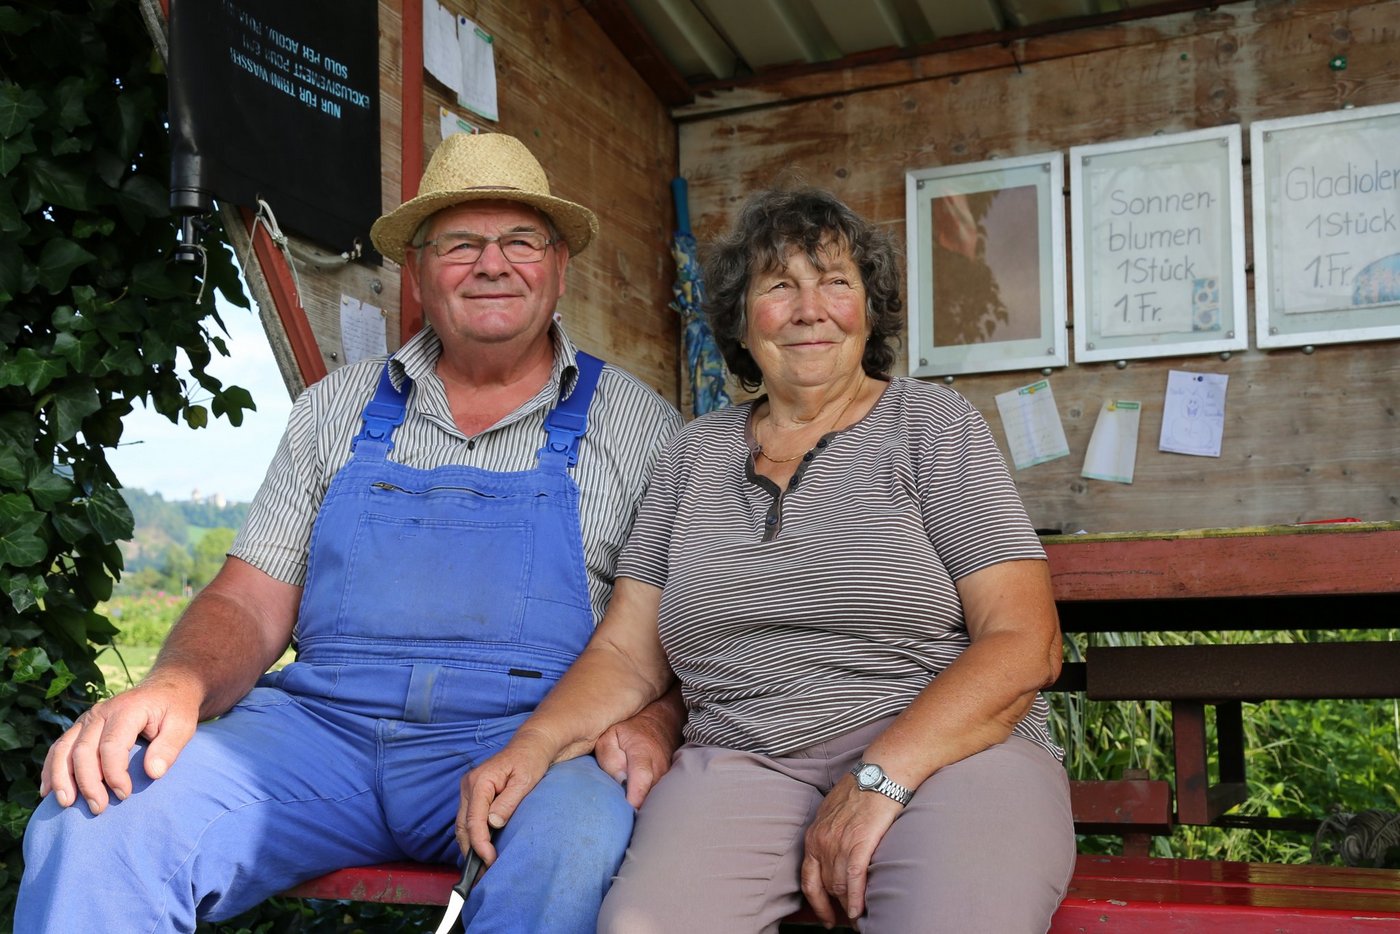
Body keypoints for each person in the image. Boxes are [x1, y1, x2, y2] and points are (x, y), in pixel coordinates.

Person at [17, 133, 684, 934]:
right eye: (461, 244)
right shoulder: (335, 411)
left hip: (531, 741)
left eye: (521, 242)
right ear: (418, 270)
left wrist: (654, 721)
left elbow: (676, 634)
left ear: (560, 267)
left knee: (576, 841)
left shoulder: (644, 429)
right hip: (319, 738)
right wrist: (178, 682)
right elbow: (250, 602)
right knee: (95, 816)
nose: (492, 264)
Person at [463, 187, 1076, 933]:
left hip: (945, 751)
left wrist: (881, 777)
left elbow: (1025, 640)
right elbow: (628, 651)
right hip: (742, 758)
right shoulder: (691, 454)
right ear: (742, 322)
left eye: (835, 283)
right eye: (780, 286)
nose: (810, 308)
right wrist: (532, 747)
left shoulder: (932, 426)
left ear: (869, 310)